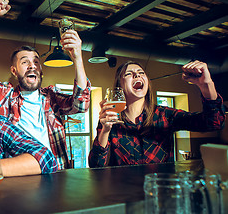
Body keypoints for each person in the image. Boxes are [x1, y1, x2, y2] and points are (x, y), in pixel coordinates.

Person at [0, 0, 91, 170]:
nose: (32, 65)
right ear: (14, 71)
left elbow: (82, 105)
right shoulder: (3, 96)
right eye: (25, 62)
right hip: (17, 176)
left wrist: (77, 58)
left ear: (41, 71)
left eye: (36, 62)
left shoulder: (52, 97)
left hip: (55, 173)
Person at [89, 60, 225, 167]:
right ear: (119, 84)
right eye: (129, 74)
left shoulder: (165, 115)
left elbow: (214, 123)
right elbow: (96, 165)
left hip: (161, 191)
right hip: (124, 194)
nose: (137, 75)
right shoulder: (110, 119)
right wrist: (105, 130)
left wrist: (206, 84)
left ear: (147, 82)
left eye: (141, 73)